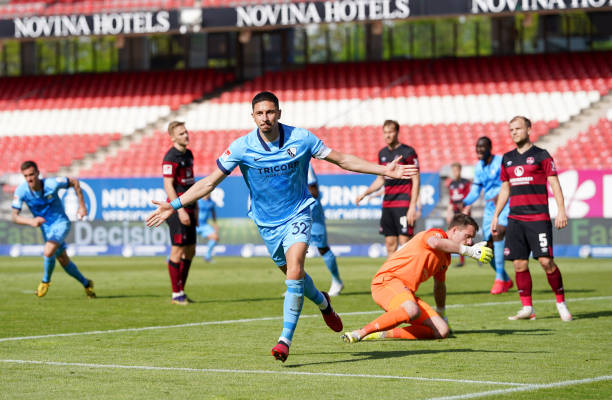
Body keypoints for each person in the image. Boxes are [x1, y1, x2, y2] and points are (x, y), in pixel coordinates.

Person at [146, 91, 418, 362]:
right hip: (267, 224)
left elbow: (342, 159)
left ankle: (284, 340)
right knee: (293, 275)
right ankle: (323, 302)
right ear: (252, 116)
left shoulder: (301, 138)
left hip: (299, 212)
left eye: (270, 112)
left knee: (296, 267)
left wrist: (384, 170)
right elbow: (209, 182)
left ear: (279, 113)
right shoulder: (241, 147)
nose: (265, 118)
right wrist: (175, 204)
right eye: (260, 113)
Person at [341, 214, 492, 343]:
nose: (470, 242)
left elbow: (439, 285)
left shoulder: (445, 259)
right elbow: (436, 242)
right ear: (454, 230)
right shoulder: (435, 233)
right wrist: (468, 251)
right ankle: (359, 333)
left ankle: (380, 333)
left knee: (442, 330)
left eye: (471, 239)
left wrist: (442, 313)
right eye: (468, 236)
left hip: (406, 292)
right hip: (386, 281)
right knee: (412, 310)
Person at [492, 116, 572, 321]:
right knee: (519, 265)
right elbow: (505, 188)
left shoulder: (541, 155)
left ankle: (561, 302)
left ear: (528, 129)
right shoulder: (507, 158)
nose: (514, 132)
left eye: (518, 128)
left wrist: (561, 210)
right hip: (515, 219)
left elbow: (554, 183)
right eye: (511, 129)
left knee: (546, 262)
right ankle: (527, 308)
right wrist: (496, 215)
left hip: (538, 218)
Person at [11, 160, 95, 298]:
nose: (29, 178)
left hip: (61, 223)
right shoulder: (21, 191)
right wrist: (31, 221)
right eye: (26, 176)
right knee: (63, 259)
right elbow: (14, 217)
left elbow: (74, 182)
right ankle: (87, 283)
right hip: (46, 229)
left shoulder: (52, 183)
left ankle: (45, 282)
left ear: (38, 173)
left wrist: (82, 206)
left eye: (32, 174)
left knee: (48, 251)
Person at [355, 120, 420, 256]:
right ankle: (393, 276)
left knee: (405, 241)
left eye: (390, 132)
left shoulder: (408, 152)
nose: (387, 136)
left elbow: (416, 179)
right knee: (390, 243)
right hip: (388, 204)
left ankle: (410, 275)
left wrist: (413, 206)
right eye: (385, 133)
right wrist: (365, 194)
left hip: (403, 202)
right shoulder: (382, 153)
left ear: (397, 132)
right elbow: (380, 180)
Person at [461, 136, 513, 294]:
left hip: (504, 204)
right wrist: (464, 203)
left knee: (497, 233)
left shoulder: (500, 162)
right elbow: (476, 190)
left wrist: (504, 194)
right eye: (477, 147)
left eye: (482, 147)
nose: (479, 150)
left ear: (490, 147)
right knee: (487, 247)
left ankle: (498, 279)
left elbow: (510, 181)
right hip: (490, 208)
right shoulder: (478, 167)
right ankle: (505, 279)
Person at [162, 121, 198, 305]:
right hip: (178, 209)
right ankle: (176, 293)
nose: (186, 135)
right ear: (173, 137)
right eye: (182, 133)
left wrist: (195, 208)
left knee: (190, 251)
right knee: (177, 251)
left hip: (190, 207)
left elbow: (191, 185)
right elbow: (168, 185)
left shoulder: (189, 154)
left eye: (186, 131)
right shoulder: (171, 156)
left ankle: (181, 289)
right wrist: (180, 209)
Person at [307, 163, 343, 296]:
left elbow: (314, 191)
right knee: (292, 248)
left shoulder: (303, 163)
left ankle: (337, 281)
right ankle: (295, 285)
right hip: (294, 213)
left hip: (312, 212)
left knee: (322, 248)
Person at [445, 162, 472, 267]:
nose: (455, 173)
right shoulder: (451, 184)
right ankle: (462, 261)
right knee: (459, 236)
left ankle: (477, 252)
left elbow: (469, 197)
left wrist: (466, 210)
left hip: (464, 211)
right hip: (456, 213)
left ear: (460, 170)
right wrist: (448, 212)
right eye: (453, 171)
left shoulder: (465, 182)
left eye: (457, 170)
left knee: (465, 235)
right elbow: (451, 200)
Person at [196, 194, 219, 263]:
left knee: (215, 237)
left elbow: (213, 213)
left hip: (204, 225)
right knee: (183, 241)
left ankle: (207, 257)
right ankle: (170, 258)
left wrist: (215, 223)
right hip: (194, 224)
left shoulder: (211, 202)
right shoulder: (197, 200)